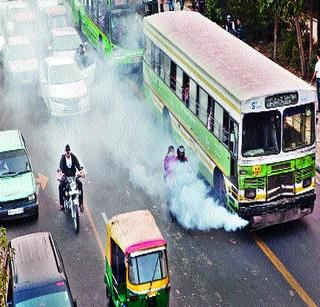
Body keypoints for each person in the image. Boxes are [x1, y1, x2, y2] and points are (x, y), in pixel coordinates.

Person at [58, 145, 85, 212]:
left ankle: (81, 204)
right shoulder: (63, 159)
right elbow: (60, 168)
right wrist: (61, 174)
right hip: (66, 177)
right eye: (67, 152)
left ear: (70, 151)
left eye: (69, 152)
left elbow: (78, 166)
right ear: (65, 152)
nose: (68, 153)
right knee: (60, 186)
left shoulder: (73, 157)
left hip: (73, 176)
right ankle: (62, 204)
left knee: (80, 184)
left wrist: (81, 172)